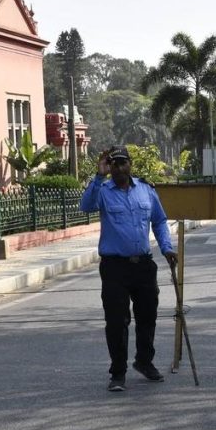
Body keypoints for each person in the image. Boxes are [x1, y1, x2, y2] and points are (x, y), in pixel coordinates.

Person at [80, 145, 178, 392]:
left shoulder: (145, 190)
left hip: (143, 264)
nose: (119, 167)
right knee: (116, 320)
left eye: (123, 162)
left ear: (130, 164)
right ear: (109, 166)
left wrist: (166, 248)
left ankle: (144, 362)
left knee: (148, 316)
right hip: (115, 267)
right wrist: (99, 174)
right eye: (114, 163)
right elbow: (86, 206)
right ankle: (118, 372)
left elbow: (159, 220)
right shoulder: (102, 191)